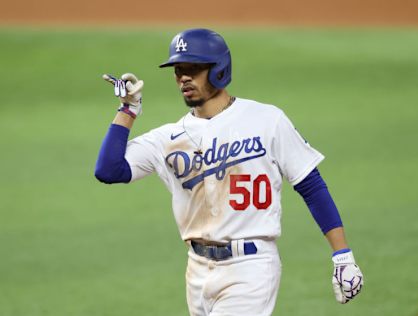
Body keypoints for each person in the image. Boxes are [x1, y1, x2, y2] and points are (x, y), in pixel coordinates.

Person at [95, 28, 363, 316]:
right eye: (179, 70)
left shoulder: (266, 120)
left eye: (194, 69)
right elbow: (108, 170)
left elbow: (311, 186)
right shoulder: (168, 138)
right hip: (197, 270)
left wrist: (342, 254)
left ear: (219, 71)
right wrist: (128, 109)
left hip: (251, 268)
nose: (183, 77)